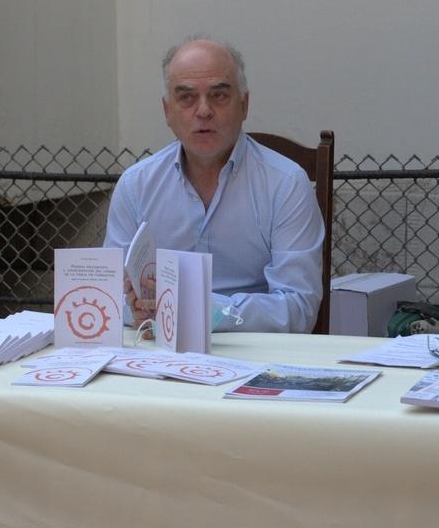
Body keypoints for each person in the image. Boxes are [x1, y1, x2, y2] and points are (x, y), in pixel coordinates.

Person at [104, 36, 324, 333]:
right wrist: (145, 308)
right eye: (186, 98)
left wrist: (197, 308)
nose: (204, 111)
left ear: (244, 105)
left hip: (255, 354)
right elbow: (110, 297)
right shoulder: (136, 185)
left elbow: (298, 309)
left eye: (219, 96)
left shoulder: (285, 184)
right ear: (167, 111)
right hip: (159, 354)